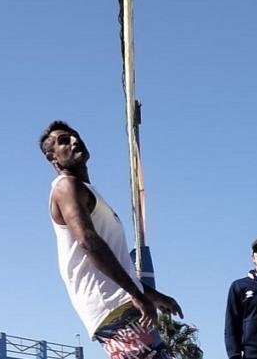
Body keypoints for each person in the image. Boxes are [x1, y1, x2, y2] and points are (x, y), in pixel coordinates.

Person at [40, 121, 183, 359]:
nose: (75, 141)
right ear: (52, 157)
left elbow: (114, 258)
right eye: (64, 141)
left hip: (117, 300)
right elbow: (88, 241)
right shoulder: (66, 186)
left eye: (76, 136)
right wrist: (135, 294)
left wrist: (151, 294)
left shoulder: (85, 189)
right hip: (112, 302)